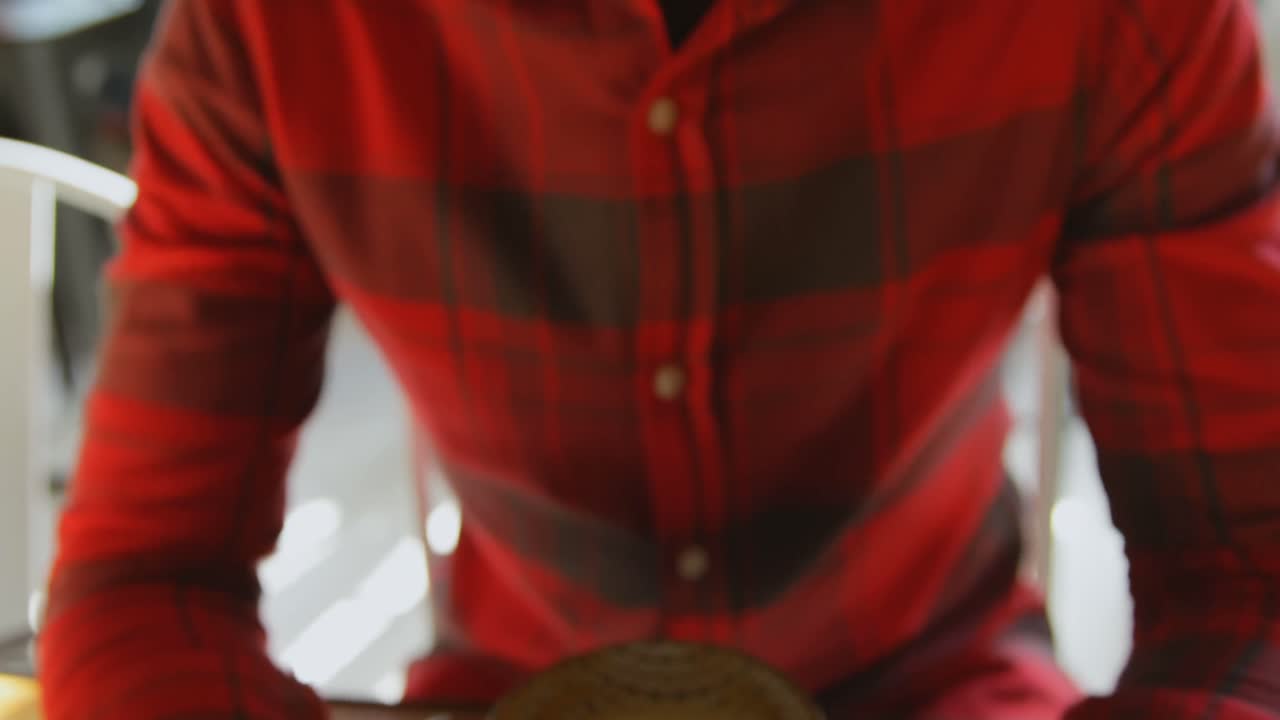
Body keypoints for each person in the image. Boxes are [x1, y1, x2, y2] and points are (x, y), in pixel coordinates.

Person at [36, 1, 1280, 718]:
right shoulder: (271, 26)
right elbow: (144, 582)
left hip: (932, 680)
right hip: (516, 690)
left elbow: (1247, 585)